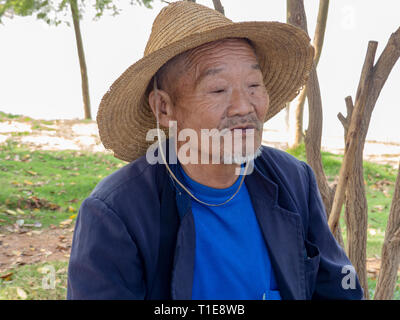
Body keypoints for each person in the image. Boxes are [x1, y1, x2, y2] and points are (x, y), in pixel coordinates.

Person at [67, 1, 363, 300]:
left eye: (254, 85)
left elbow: (338, 290)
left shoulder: (293, 180)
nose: (244, 107)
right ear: (164, 107)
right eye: (218, 90)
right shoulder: (116, 213)